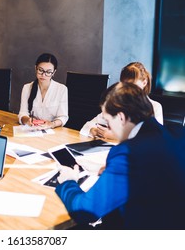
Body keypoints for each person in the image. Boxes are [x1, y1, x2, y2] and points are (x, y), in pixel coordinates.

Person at [56, 82, 185, 229]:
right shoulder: (179, 133)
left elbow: (86, 211)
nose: (108, 127)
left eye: (108, 122)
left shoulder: (127, 153)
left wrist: (68, 182)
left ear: (121, 118)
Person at [80, 62, 163, 139]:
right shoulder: (118, 104)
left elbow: (154, 137)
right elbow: (88, 126)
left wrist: (115, 135)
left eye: (132, 85)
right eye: (125, 85)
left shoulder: (155, 107)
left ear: (144, 83)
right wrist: (94, 131)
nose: (128, 89)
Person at [18, 53, 68, 128]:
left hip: (53, 132)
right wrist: (28, 120)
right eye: (41, 70)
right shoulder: (27, 88)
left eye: (48, 72)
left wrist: (51, 124)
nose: (43, 75)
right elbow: (23, 113)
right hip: (32, 129)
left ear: (54, 72)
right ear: (36, 68)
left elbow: (63, 117)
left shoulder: (61, 89)